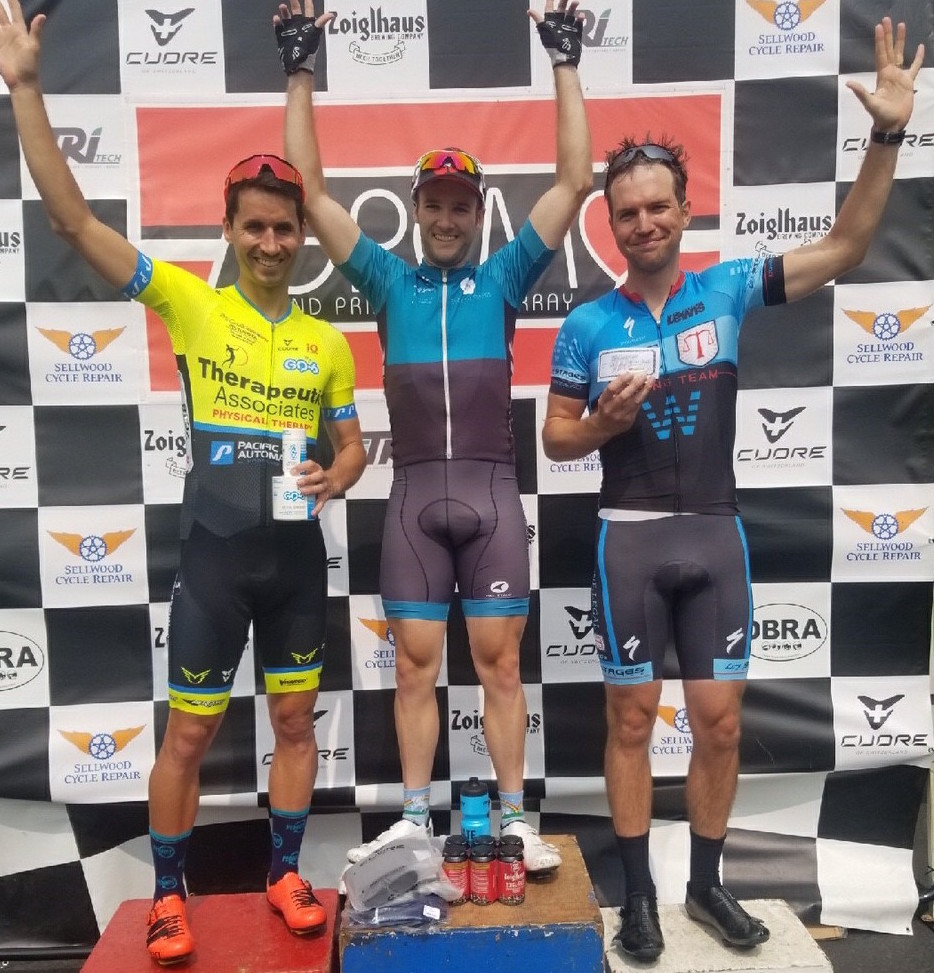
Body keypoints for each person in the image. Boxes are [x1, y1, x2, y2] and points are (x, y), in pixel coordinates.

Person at [541, 16, 923, 963]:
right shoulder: (587, 325)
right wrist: (603, 427)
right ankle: (636, 900)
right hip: (627, 537)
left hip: (715, 537)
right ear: (612, 223)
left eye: (658, 207)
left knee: (720, 725)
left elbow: (845, 246)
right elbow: (554, 439)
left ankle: (706, 887)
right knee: (631, 721)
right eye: (626, 212)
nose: (643, 223)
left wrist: (887, 132)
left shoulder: (728, 290)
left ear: (684, 206)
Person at [0, 0, 366, 964]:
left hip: (293, 563)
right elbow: (75, 221)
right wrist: (27, 89)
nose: (273, 242)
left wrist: (344, 468)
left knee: (294, 723)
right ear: (232, 228)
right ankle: (168, 894)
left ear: (301, 235)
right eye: (255, 227)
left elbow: (355, 443)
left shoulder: (326, 342)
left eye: (285, 228)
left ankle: (288, 872)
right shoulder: (190, 304)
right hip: (212, 561)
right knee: (187, 743)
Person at [272, 0, 592, 871]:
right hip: (413, 496)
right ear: (416, 209)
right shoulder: (383, 280)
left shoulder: (505, 275)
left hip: (490, 493)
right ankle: (416, 816)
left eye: (460, 204)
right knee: (414, 668)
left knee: (499, 666)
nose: (446, 217)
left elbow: (572, 181)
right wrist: (301, 68)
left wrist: (565, 56)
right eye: (434, 203)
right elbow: (310, 192)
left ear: (476, 211)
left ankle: (517, 817)